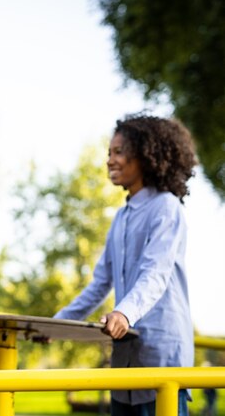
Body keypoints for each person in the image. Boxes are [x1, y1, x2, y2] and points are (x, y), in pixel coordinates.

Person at [53, 114, 197, 416]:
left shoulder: (166, 207)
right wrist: (56, 324)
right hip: (126, 357)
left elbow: (155, 273)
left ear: (145, 155)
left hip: (160, 355)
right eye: (109, 153)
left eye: (118, 151)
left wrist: (123, 312)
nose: (109, 160)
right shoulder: (121, 218)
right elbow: (99, 284)